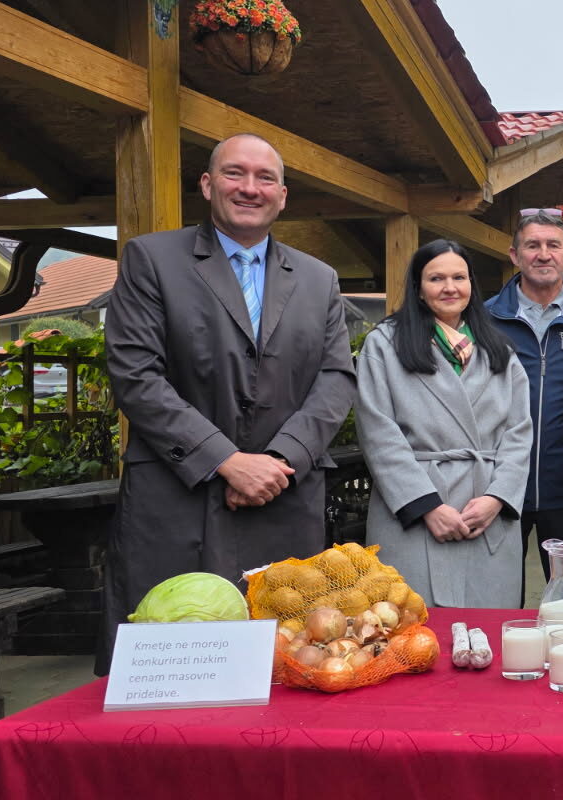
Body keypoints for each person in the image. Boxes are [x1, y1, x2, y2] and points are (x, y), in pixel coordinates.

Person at [102, 133, 355, 672]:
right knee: (174, 668)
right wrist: (226, 460)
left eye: (266, 178)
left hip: (283, 495)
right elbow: (135, 374)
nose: (250, 188)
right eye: (234, 173)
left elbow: (336, 379)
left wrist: (279, 460)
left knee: (289, 664)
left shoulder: (318, 279)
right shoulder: (152, 260)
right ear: (207, 184)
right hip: (179, 493)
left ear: (282, 195)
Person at [356, 240, 532, 607]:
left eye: (459, 277)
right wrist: (427, 506)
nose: (450, 287)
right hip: (413, 512)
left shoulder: (499, 351)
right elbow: (378, 432)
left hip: (485, 514)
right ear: (418, 287)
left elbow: (519, 434)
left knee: (488, 630)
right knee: (413, 627)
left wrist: (496, 499)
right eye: (436, 278)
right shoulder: (384, 345)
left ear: (471, 285)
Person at [484, 210, 563, 588]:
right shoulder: (483, 319)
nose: (544, 254)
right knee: (498, 595)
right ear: (515, 255)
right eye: (533, 245)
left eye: (553, 245)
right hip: (499, 488)